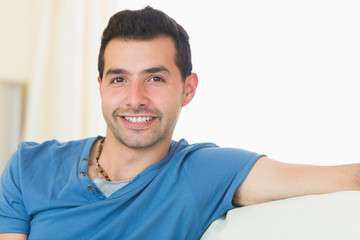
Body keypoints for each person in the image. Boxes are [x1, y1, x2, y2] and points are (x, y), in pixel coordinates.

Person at [0, 6, 359, 240]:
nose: (135, 97)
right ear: (101, 87)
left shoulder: (204, 172)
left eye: (155, 79)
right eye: (119, 79)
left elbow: (345, 178)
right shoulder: (29, 166)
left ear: (187, 89)